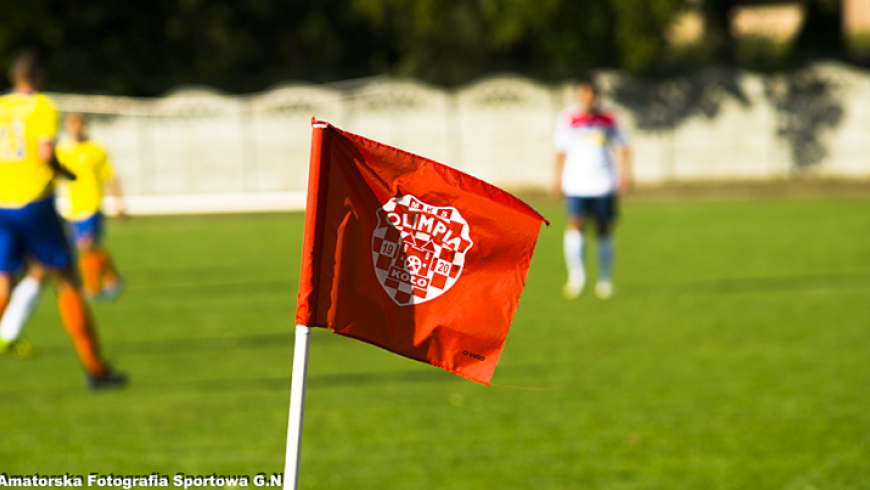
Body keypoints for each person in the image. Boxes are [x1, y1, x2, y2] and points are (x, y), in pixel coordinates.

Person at [0, 47, 126, 388]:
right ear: (39, 76)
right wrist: (63, 173)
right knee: (66, 282)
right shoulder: (41, 106)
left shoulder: (0, 106)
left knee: (4, 282)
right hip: (34, 204)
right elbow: (44, 153)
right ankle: (96, 370)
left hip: (2, 206)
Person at [550, 79, 631, 299]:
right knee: (575, 225)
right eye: (584, 94)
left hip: (603, 182)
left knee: (604, 228)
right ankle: (577, 278)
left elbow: (623, 146)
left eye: (592, 95)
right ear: (579, 95)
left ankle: (605, 279)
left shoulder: (609, 118)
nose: (589, 99)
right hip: (576, 182)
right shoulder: (568, 118)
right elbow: (560, 149)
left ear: (598, 96)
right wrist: (556, 177)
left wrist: (625, 175)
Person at [56, 112, 126, 301]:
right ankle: (113, 278)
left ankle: (92, 286)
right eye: (72, 124)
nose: (76, 128)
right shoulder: (61, 151)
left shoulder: (96, 149)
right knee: (89, 247)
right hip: (71, 207)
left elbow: (109, 175)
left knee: (85, 245)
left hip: (92, 204)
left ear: (85, 126)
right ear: (67, 127)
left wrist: (118, 201)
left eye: (79, 124)